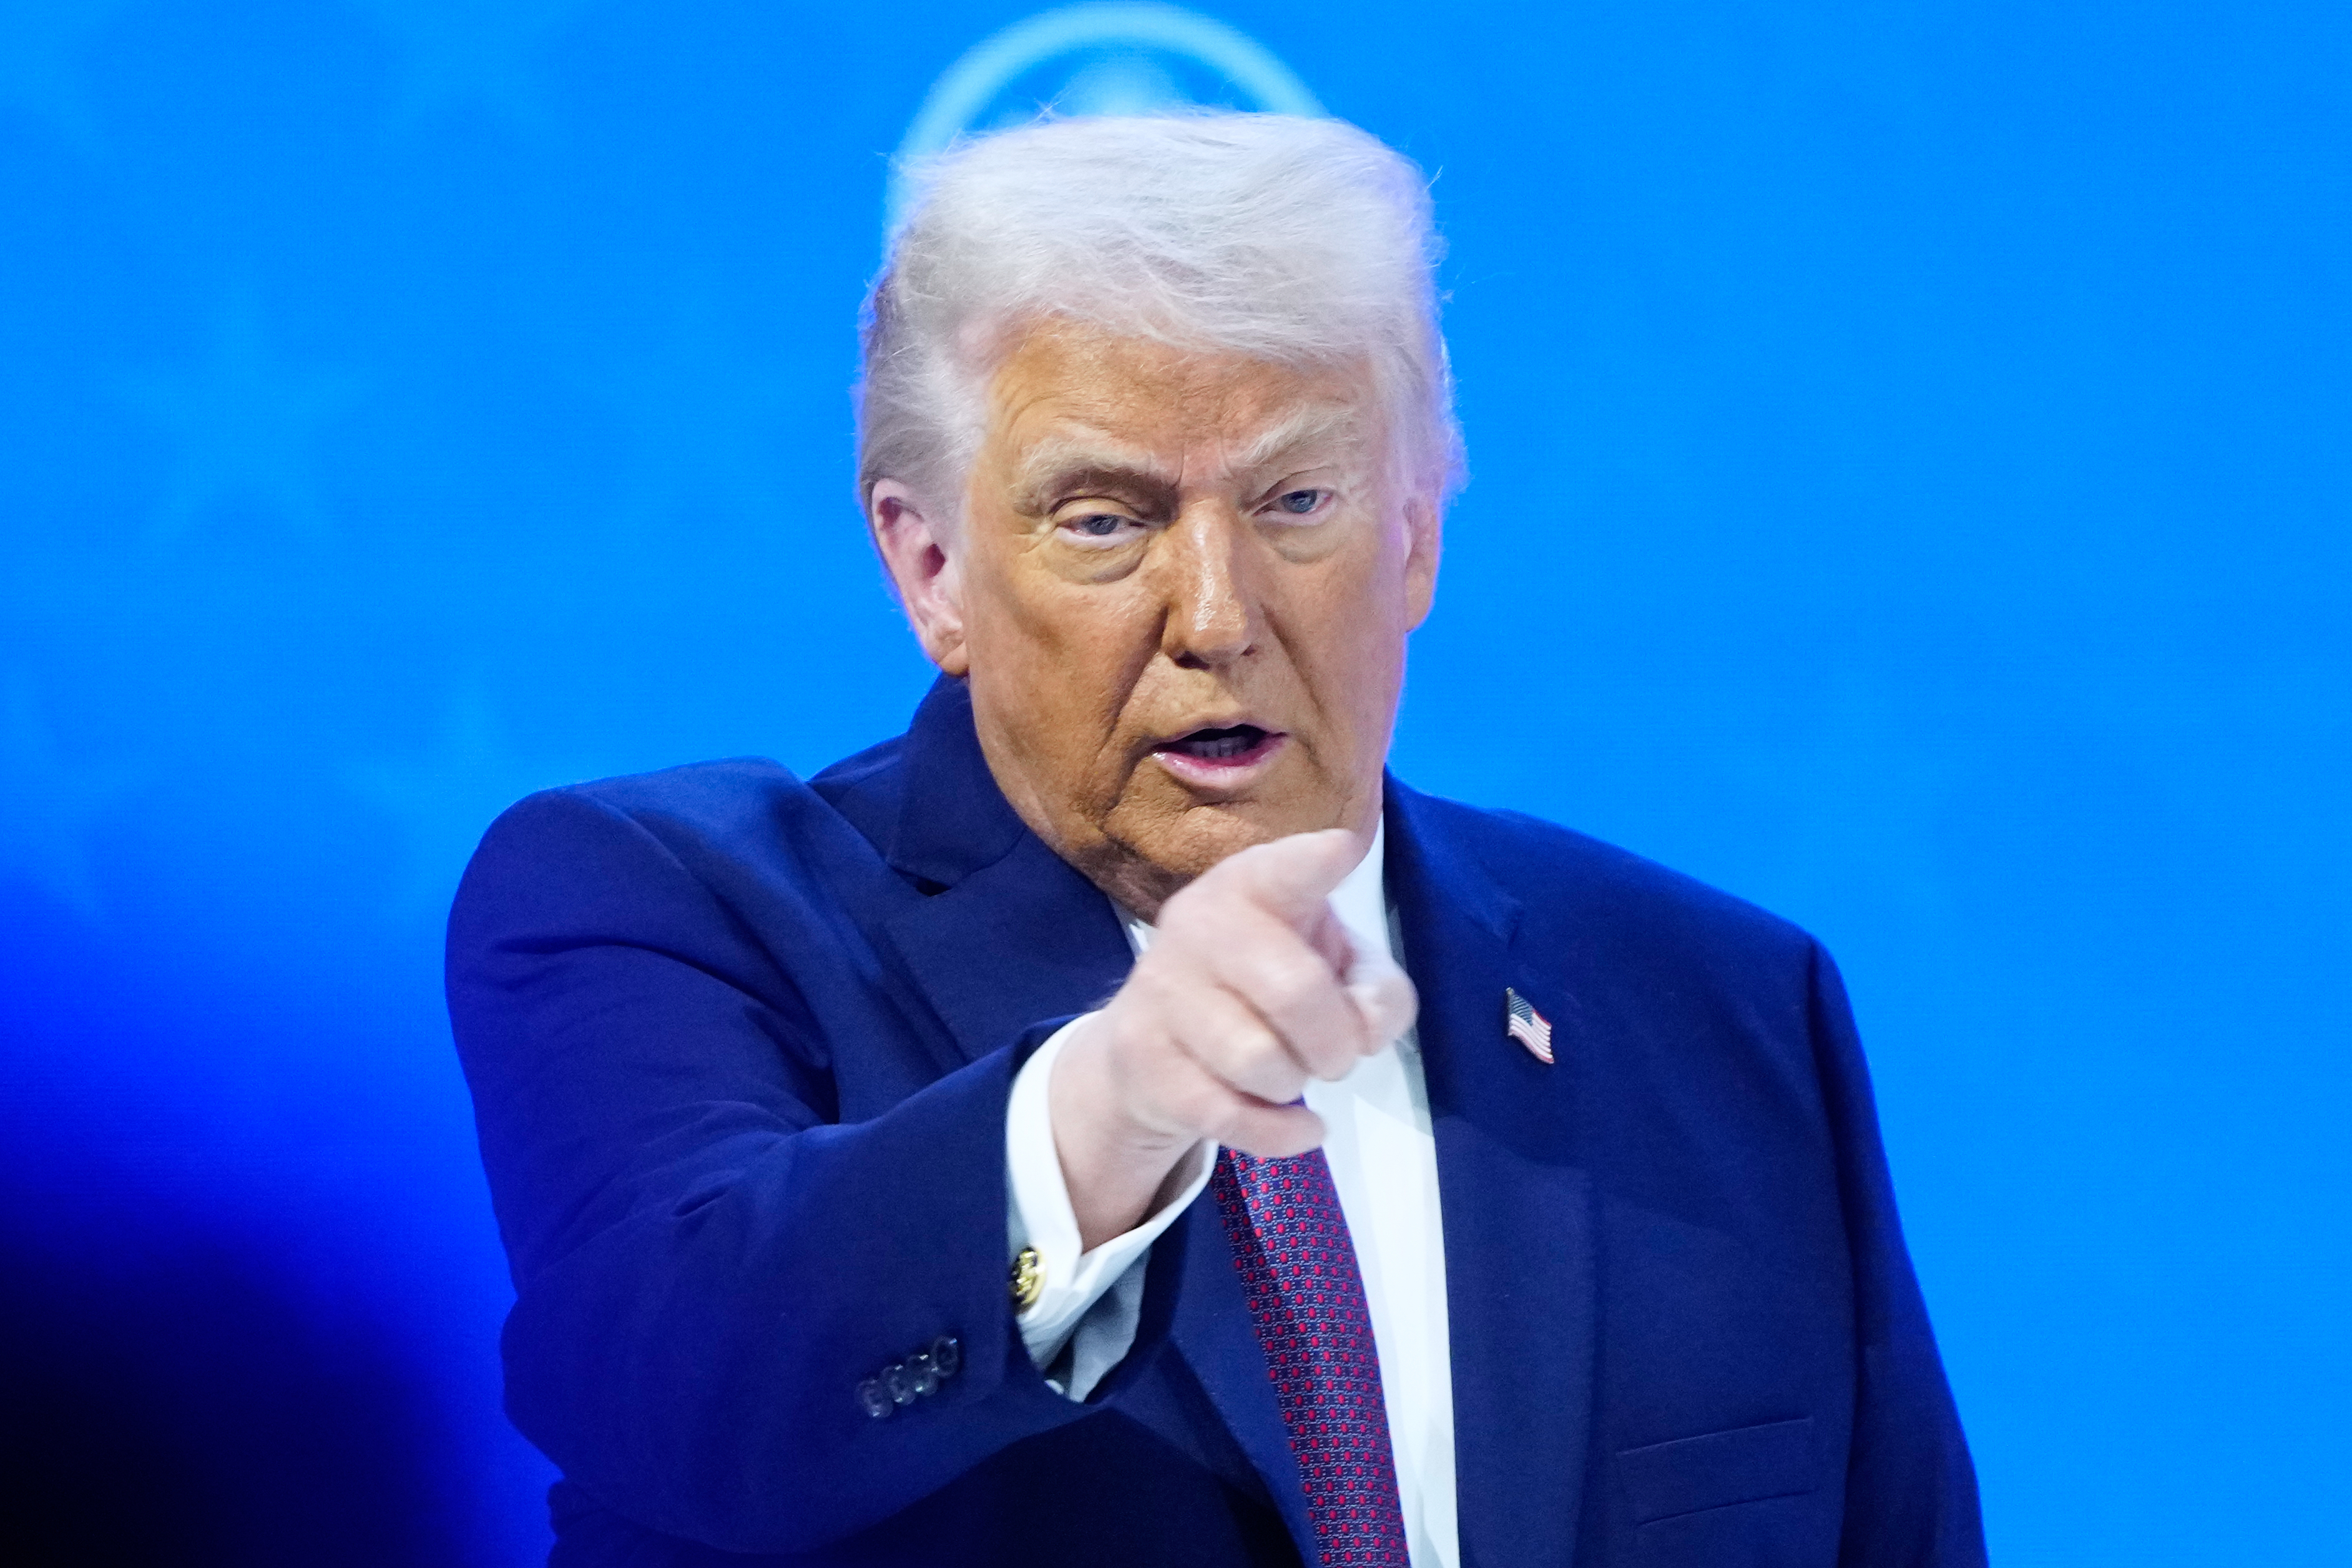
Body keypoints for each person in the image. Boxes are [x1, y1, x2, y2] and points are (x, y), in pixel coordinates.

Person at [448, 112, 1984, 1568]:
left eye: (1297, 498)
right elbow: (680, 1391)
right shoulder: (662, 909)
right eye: (1105, 518)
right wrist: (1114, 1099)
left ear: (1417, 535)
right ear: (934, 570)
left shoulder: (1725, 1008)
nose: (1219, 615)